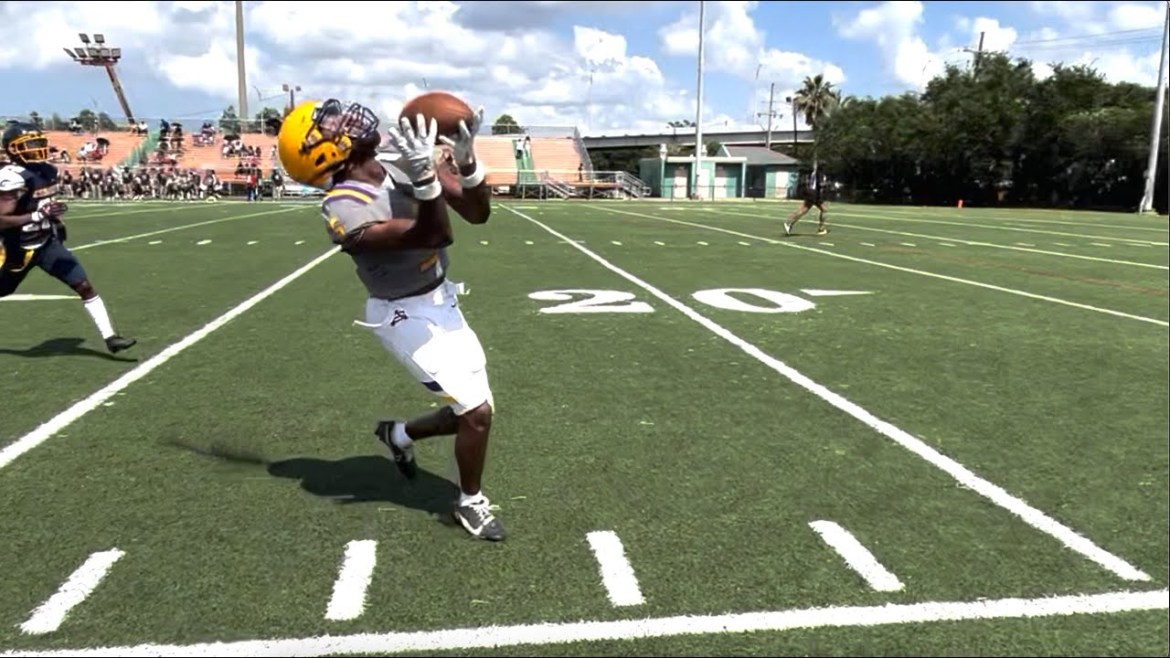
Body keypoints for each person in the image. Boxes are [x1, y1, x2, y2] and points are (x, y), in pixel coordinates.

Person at [276, 99, 503, 541]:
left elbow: (477, 213)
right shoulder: (342, 206)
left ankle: (398, 433)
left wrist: (466, 162)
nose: (346, 120)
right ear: (320, 154)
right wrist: (423, 178)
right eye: (329, 124)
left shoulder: (397, 161)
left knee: (471, 411)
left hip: (443, 301)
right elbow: (434, 233)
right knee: (476, 412)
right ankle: (469, 503)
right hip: (402, 313)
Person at [0, 122, 136, 354]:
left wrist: (56, 221)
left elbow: (44, 205)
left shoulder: (47, 171)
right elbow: (2, 220)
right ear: (13, 149)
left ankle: (111, 337)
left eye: (37, 142)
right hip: (16, 248)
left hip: (45, 242)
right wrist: (37, 214)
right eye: (29, 144)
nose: (36, 147)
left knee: (83, 285)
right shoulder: (11, 176)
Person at [784, 169, 829, 236]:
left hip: (810, 191)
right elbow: (820, 184)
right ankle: (821, 229)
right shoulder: (820, 173)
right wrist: (827, 184)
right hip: (814, 193)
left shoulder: (813, 172)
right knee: (822, 209)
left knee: (805, 209)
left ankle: (789, 223)